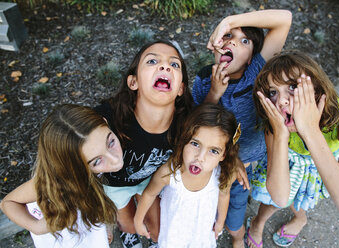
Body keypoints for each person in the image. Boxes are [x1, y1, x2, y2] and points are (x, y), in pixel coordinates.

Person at [192, 9, 292, 248]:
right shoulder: (205, 79)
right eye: (227, 36)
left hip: (255, 156)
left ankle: (237, 236)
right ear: (216, 45)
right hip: (218, 161)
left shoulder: (256, 70)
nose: (233, 42)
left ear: (250, 57)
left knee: (238, 204)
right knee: (213, 200)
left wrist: (229, 21)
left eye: (244, 41)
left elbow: (284, 19)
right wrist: (214, 94)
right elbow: (196, 125)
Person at [248, 51, 339, 248]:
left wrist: (310, 130)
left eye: (293, 87)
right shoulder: (277, 120)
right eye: (273, 92)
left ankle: (300, 218)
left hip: (319, 166)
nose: (281, 101)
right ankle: (258, 223)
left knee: (302, 197)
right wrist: (280, 135)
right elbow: (279, 196)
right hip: (288, 164)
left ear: (318, 89)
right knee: (272, 202)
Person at [94, 40, 194, 248]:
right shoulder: (110, 117)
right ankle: (126, 233)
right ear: (133, 82)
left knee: (157, 231)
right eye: (152, 61)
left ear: (180, 89)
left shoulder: (186, 122)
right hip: (114, 186)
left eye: (174, 64)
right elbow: (79, 132)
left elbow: (214, 132)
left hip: (150, 181)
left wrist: (233, 157)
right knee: (129, 226)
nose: (165, 66)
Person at [0, 104, 123, 248]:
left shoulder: (94, 149)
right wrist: (37, 227)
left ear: (105, 122)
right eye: (96, 161)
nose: (116, 160)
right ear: (72, 167)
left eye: (111, 142)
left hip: (89, 228)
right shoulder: (54, 182)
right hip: (65, 239)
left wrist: (103, 226)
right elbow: (8, 203)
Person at [134, 103, 241, 248]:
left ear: (223, 155)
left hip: (202, 233)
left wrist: (220, 222)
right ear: (184, 140)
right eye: (195, 144)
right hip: (173, 234)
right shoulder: (170, 172)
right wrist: (138, 220)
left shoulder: (222, 174)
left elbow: (224, 195)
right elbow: (149, 194)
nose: (200, 157)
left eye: (213, 151)